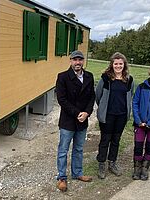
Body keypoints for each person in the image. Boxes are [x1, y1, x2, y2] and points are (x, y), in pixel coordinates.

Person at [55, 50, 95, 192]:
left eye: (80, 60)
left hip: (82, 120)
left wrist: (87, 113)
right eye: (75, 60)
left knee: (78, 148)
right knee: (63, 150)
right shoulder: (63, 77)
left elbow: (92, 97)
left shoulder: (89, 76)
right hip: (68, 120)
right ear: (70, 61)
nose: (77, 62)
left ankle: (77, 173)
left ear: (83, 61)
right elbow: (62, 99)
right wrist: (78, 112)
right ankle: (61, 177)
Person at [95, 52, 134, 179]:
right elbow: (98, 95)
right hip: (107, 115)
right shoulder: (105, 79)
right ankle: (101, 163)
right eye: (116, 63)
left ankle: (112, 162)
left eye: (120, 64)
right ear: (112, 65)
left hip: (121, 115)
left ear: (124, 65)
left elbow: (130, 95)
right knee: (105, 140)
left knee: (116, 140)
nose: (118, 66)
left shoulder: (129, 80)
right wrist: (103, 108)